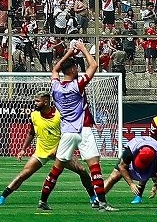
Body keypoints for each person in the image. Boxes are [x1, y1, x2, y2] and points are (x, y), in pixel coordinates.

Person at [36, 40, 109, 208]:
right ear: (74, 69)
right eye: (76, 67)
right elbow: (94, 65)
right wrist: (83, 48)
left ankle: (43, 200)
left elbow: (55, 69)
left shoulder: (55, 86)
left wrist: (69, 52)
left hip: (67, 131)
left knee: (57, 169)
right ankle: (102, 203)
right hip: (83, 129)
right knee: (94, 166)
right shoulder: (77, 86)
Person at [0, 93, 64, 207]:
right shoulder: (34, 115)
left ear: (46, 102)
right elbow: (31, 133)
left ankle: (94, 196)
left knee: (81, 170)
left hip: (60, 151)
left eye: (37, 101)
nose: (35, 103)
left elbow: (66, 135)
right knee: (23, 174)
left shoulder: (59, 115)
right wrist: (23, 149)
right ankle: (3, 196)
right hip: (41, 151)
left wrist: (57, 149)